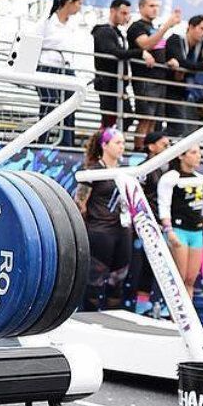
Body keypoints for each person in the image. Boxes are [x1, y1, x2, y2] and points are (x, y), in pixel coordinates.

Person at [75, 128, 131, 311]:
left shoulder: (125, 172)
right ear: (104, 145)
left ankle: (112, 316)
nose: (122, 147)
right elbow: (79, 203)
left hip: (122, 231)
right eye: (117, 143)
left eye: (123, 143)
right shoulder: (93, 171)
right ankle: (89, 318)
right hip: (100, 232)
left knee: (118, 280)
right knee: (94, 282)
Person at [157, 148, 203, 300]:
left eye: (199, 152)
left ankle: (189, 316)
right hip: (179, 230)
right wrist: (169, 230)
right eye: (193, 153)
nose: (198, 156)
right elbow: (164, 205)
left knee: (190, 279)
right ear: (181, 155)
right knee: (179, 277)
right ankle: (175, 317)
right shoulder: (171, 177)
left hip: (196, 231)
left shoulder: (200, 178)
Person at [126, 0, 182, 150]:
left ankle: (148, 150)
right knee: (145, 119)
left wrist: (170, 61)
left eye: (157, 6)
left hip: (159, 78)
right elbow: (146, 44)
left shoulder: (154, 27)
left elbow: (158, 49)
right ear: (141, 7)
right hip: (145, 79)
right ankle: (138, 152)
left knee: (153, 121)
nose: (155, 9)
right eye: (151, 5)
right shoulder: (136, 27)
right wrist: (166, 26)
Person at [91, 0, 153, 130]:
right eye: (123, 13)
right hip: (108, 82)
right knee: (112, 118)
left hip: (118, 82)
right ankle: (103, 142)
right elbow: (115, 52)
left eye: (127, 14)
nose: (126, 17)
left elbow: (121, 52)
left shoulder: (118, 32)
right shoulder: (103, 31)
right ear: (113, 11)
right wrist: (140, 53)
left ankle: (106, 141)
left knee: (122, 117)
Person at [127, 130, 170, 317]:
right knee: (145, 265)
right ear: (151, 147)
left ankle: (159, 306)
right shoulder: (143, 170)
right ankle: (141, 306)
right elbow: (138, 200)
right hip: (147, 226)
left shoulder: (167, 169)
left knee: (162, 267)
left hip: (164, 225)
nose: (168, 149)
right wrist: (149, 222)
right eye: (164, 145)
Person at [37, 0, 83, 147]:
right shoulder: (47, 21)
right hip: (48, 65)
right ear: (69, 3)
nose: (80, 8)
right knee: (49, 101)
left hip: (67, 67)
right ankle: (41, 139)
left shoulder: (72, 25)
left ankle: (67, 142)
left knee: (71, 102)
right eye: (79, 3)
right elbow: (35, 42)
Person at [162, 15, 203, 137]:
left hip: (183, 91)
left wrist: (194, 66)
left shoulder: (201, 45)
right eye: (202, 28)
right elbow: (182, 61)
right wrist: (201, 66)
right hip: (167, 88)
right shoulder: (175, 39)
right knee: (176, 127)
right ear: (191, 27)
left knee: (182, 127)